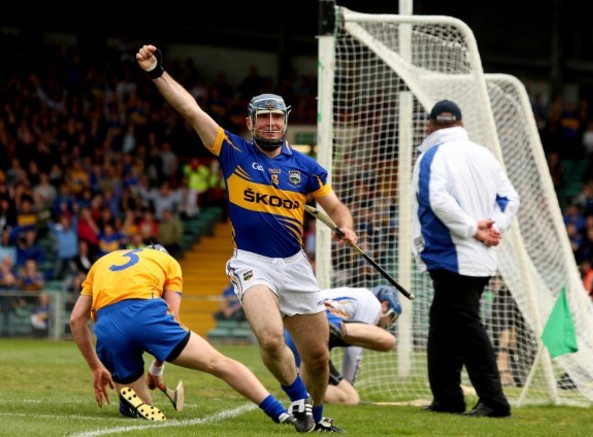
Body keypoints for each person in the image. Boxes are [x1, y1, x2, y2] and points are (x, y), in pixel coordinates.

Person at [136, 44, 358, 433]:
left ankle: (316, 418)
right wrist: (156, 71)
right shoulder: (233, 151)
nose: (271, 123)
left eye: (277, 117)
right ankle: (299, 399)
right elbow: (191, 110)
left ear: (285, 121)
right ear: (251, 122)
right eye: (263, 118)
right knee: (272, 340)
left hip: (295, 265)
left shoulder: (306, 169)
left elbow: (336, 208)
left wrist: (347, 225)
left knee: (319, 357)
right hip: (252, 262)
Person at [68, 244, 294, 425]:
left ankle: (129, 403)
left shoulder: (101, 262)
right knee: (218, 363)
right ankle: (279, 413)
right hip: (147, 316)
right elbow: (172, 317)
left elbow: (76, 320)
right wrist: (157, 367)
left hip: (108, 328)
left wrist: (95, 366)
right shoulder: (168, 262)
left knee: (143, 407)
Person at [411, 99, 520, 418]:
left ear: (430, 125)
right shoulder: (484, 154)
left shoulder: (432, 155)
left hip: (451, 254)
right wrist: (493, 228)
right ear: (460, 123)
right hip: (483, 257)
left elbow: (437, 200)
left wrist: (474, 229)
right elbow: (510, 198)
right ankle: (447, 398)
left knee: (466, 326)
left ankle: (494, 400)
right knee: (442, 325)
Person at [285, 285, 402, 404]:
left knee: (347, 395)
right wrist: (349, 383)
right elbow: (353, 353)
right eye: (391, 317)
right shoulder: (372, 303)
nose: (389, 322)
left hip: (295, 331)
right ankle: (334, 327)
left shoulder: (354, 295)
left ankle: (301, 390)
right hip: (316, 324)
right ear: (385, 305)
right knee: (388, 340)